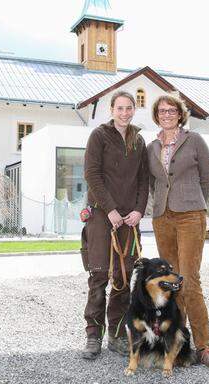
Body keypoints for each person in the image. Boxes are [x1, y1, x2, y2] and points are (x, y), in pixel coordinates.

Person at [146, 94, 209, 368]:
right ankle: (176, 346)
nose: (166, 114)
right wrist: (156, 207)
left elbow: (207, 178)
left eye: (171, 110)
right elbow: (153, 182)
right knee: (172, 284)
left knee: (189, 280)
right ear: (157, 115)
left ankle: (204, 346)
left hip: (190, 216)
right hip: (163, 218)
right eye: (162, 110)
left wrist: (195, 204)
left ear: (180, 114)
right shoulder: (151, 146)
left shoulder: (195, 140)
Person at [80, 90, 149, 360]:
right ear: (111, 110)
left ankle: (117, 336)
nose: (124, 112)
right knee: (98, 278)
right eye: (120, 108)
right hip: (101, 217)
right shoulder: (99, 136)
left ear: (134, 110)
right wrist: (109, 209)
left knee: (122, 280)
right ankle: (93, 336)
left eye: (129, 108)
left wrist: (139, 211)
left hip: (128, 221)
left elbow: (144, 181)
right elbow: (92, 175)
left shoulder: (139, 140)